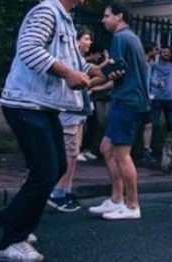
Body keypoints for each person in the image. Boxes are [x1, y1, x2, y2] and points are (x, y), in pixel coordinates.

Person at [0, 0, 116, 262]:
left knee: (56, 166)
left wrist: (95, 71)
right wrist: (66, 74)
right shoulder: (45, 13)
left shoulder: (65, 18)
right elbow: (29, 49)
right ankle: (12, 241)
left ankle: (10, 218)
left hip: (42, 105)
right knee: (46, 170)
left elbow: (74, 61)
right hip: (25, 103)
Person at [88, 2, 151, 221]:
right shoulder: (129, 38)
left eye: (107, 15)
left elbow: (114, 70)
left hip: (127, 101)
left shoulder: (121, 38)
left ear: (119, 16)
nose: (103, 20)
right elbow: (118, 72)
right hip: (125, 99)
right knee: (106, 148)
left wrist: (85, 79)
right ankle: (116, 199)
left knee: (122, 155)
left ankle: (132, 205)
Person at [46, 27, 98, 213]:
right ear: (76, 40)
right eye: (86, 38)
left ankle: (65, 190)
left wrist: (103, 72)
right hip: (68, 114)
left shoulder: (80, 60)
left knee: (73, 155)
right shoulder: (70, 60)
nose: (89, 42)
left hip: (78, 114)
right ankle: (57, 193)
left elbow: (88, 81)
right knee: (68, 155)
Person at [142, 40, 172, 164]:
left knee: (171, 125)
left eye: (168, 53)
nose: (166, 54)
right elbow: (145, 61)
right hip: (156, 99)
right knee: (154, 125)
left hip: (169, 99)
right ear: (159, 54)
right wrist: (155, 52)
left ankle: (170, 151)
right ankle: (152, 150)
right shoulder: (154, 65)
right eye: (163, 52)